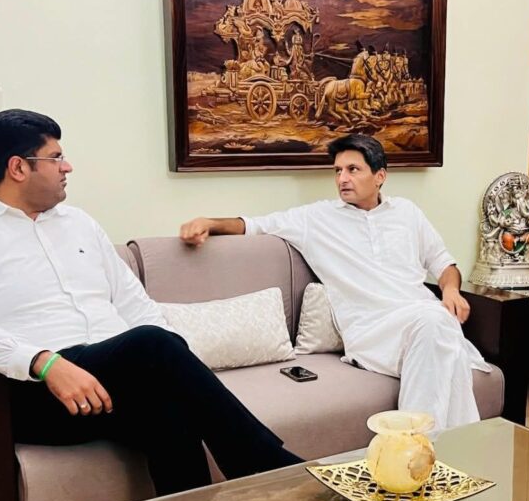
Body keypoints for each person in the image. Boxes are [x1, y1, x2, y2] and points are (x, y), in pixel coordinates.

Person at [0, 109, 300, 497]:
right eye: (55, 158)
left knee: (170, 403)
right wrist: (45, 362)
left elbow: (134, 302)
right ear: (18, 167)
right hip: (41, 391)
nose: (67, 167)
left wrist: (176, 363)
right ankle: (268, 466)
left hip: (115, 380)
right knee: (152, 344)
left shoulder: (80, 224)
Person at [179, 133, 489, 431]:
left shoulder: (408, 213)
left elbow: (444, 263)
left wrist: (451, 290)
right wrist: (210, 222)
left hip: (422, 317)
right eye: (338, 170)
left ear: (380, 176)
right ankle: (427, 444)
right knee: (441, 332)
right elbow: (255, 225)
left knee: (438, 324)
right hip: (372, 330)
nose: (342, 178)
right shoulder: (316, 219)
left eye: (353, 169)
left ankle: (421, 447)